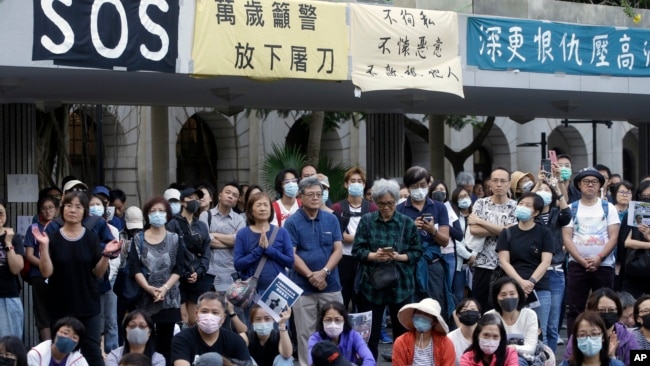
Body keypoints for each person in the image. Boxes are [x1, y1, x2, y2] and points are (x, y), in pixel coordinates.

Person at [33, 192, 121, 366]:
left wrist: (105, 256)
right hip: (60, 305)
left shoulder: (91, 237)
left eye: (78, 207)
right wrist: (43, 248)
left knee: (93, 353)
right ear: (62, 209)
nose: (72, 210)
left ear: (85, 212)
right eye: (68, 205)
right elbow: (46, 272)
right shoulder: (53, 237)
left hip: (88, 305)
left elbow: (98, 273)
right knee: (60, 352)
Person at [352, 179, 421, 360]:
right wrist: (374, 256)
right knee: (370, 335)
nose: (386, 207)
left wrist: (398, 257)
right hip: (372, 285)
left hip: (401, 284)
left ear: (396, 201)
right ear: (375, 202)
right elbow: (356, 250)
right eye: (381, 204)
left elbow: (417, 253)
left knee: (402, 334)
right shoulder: (367, 221)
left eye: (390, 203)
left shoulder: (407, 223)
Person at [284, 177, 343, 366]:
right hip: (303, 287)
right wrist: (311, 275)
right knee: (305, 334)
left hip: (331, 285)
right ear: (300, 197)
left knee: (335, 331)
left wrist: (324, 272)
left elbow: (338, 250)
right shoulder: (292, 222)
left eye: (319, 194)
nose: (316, 198)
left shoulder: (331, 218)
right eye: (311, 194)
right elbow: (291, 256)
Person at [563, 168, 620, 338]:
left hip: (604, 265)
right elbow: (567, 238)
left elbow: (614, 236)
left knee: (605, 308)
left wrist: (599, 257)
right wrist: (581, 260)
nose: (590, 185)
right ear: (579, 185)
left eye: (594, 182)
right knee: (575, 308)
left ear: (600, 186)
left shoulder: (608, 207)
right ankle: (574, 347)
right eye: (586, 182)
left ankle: (606, 342)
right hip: (577, 265)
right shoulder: (571, 208)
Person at [128, 195, 182, 363]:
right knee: (145, 341)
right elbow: (134, 267)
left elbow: (179, 268)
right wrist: (148, 288)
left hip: (169, 298)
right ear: (147, 215)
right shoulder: (138, 239)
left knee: (166, 343)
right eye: (153, 211)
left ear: (167, 214)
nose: (157, 214)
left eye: (161, 211)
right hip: (145, 298)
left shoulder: (175, 238)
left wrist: (164, 288)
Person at [496, 192, 553, 345]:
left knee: (540, 332)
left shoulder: (544, 233)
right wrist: (520, 282)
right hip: (512, 289)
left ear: (536, 212)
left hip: (539, 288)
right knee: (511, 331)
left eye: (528, 205)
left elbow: (546, 262)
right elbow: (504, 261)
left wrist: (531, 282)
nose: (522, 207)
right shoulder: (507, 233)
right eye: (521, 204)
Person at [398, 168, 450, 315]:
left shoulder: (439, 207)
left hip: (432, 264)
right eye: (414, 186)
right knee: (410, 307)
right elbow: (398, 243)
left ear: (428, 184)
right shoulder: (400, 209)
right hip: (409, 266)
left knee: (435, 308)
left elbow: (445, 241)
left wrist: (432, 230)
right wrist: (411, 229)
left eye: (422, 185)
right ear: (407, 187)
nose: (419, 190)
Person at [530, 165, 571, 352]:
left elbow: (567, 214)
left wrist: (556, 187)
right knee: (540, 325)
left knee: (553, 326)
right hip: (534, 272)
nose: (544, 193)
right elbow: (522, 203)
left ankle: (551, 359)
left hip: (555, 272)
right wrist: (539, 182)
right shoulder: (530, 216)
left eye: (547, 191)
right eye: (541, 191)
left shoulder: (556, 213)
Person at [466, 167, 517, 312]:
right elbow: (473, 230)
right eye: (495, 181)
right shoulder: (480, 203)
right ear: (490, 184)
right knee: (480, 306)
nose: (499, 184)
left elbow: (511, 233)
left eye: (503, 181)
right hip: (482, 263)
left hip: (506, 265)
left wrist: (482, 222)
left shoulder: (516, 206)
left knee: (503, 308)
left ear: (509, 183)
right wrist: (501, 229)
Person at [331, 167, 378, 311]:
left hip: (365, 260)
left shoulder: (372, 209)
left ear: (364, 185)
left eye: (359, 181)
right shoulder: (337, 208)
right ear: (346, 184)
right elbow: (339, 236)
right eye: (352, 181)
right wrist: (362, 238)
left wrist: (351, 238)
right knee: (342, 301)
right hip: (344, 260)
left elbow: (375, 236)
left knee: (365, 302)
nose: (356, 184)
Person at [166, 190, 212, 327]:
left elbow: (206, 253)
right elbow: (170, 252)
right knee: (182, 317)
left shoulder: (201, 226)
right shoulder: (172, 224)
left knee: (194, 319)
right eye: (191, 198)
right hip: (178, 278)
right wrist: (183, 272)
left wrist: (198, 272)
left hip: (197, 278)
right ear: (182, 202)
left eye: (197, 199)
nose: (195, 201)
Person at [234, 192, 294, 293]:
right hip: (251, 292)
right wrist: (259, 250)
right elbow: (238, 264)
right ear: (251, 211)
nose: (263, 208)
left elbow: (290, 262)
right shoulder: (243, 233)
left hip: (278, 290)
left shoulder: (281, 232)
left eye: (266, 205)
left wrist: (269, 249)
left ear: (271, 209)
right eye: (258, 205)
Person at [170, 292, 250, 365]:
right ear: (197, 314)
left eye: (215, 312)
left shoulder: (235, 341)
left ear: (223, 318)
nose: (209, 316)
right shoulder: (182, 339)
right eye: (204, 311)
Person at [563, 288, 638, 365]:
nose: (606, 313)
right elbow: (569, 360)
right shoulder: (580, 336)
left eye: (611, 310)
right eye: (601, 310)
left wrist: (612, 359)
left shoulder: (627, 336)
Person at [199, 183, 246, 295]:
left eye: (234, 195)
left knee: (230, 309)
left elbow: (238, 241)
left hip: (231, 272)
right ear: (220, 195)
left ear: (237, 201)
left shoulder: (239, 220)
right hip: (209, 271)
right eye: (227, 192)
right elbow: (205, 240)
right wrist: (231, 241)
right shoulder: (205, 215)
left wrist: (214, 234)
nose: (230, 196)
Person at [23, 194, 59, 339]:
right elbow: (29, 255)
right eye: (43, 208)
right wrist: (45, 265)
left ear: (57, 209)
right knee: (42, 313)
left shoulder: (62, 227)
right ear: (39, 211)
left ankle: (58, 347)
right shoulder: (33, 228)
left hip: (59, 276)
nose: (47, 211)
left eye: (50, 208)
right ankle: (46, 349)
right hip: (38, 275)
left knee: (59, 311)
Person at [485, 277, 539, 366]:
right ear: (496, 298)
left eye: (512, 293)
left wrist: (511, 348)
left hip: (522, 360)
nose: (508, 297)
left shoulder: (529, 315)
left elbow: (530, 348)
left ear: (519, 295)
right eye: (503, 295)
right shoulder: (490, 316)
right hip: (495, 359)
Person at [390, 298, 454, 366]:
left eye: (426, 314)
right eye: (418, 312)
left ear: (434, 321)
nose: (421, 317)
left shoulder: (445, 343)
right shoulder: (401, 342)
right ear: (413, 316)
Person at [307, 302, 374, 366]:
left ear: (344, 320)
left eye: (337, 320)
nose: (333, 324)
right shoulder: (315, 339)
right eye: (328, 320)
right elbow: (312, 362)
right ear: (322, 321)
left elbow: (369, 359)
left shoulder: (353, 336)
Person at [0, 198, 25, 338]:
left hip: (7, 295)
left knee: (9, 346)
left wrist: (8, 243)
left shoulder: (14, 237)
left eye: (1, 213)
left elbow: (16, 269)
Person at [429, 179, 459, 294]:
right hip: (434, 255)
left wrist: (444, 224)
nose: (439, 192)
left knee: (447, 290)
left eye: (442, 190)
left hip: (449, 254)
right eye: (436, 190)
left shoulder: (450, 209)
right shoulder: (427, 208)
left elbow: (459, 235)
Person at [621, 180, 650, 297]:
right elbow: (626, 242)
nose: (647, 200)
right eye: (644, 196)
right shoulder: (631, 215)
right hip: (633, 269)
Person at [449, 187, 474, 303]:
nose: (465, 199)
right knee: (458, 295)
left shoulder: (475, 215)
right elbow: (456, 242)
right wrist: (469, 256)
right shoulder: (454, 218)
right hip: (460, 260)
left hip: (474, 261)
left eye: (466, 196)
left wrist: (474, 255)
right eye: (461, 197)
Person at [448, 298, 482, 366]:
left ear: (479, 315)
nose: (469, 311)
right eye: (464, 309)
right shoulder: (450, 338)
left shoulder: (487, 335)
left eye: (473, 309)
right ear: (458, 315)